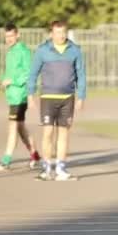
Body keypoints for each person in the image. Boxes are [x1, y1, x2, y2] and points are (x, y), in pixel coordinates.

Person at [27, 20, 86, 181]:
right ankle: (46, 169)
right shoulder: (42, 51)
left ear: (66, 33)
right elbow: (33, 73)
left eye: (63, 32)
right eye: (57, 33)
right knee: (48, 133)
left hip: (68, 98)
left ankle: (61, 169)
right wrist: (30, 94)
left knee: (64, 134)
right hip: (48, 97)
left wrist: (81, 96)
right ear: (51, 34)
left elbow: (81, 74)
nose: (61, 36)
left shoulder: (75, 50)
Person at [0, 23, 41, 171]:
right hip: (12, 95)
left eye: (11, 36)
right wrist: (0, 79)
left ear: (17, 35)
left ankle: (6, 160)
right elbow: (10, 73)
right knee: (20, 127)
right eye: (6, 36)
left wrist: (13, 81)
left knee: (12, 126)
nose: (9, 39)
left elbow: (29, 73)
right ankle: (35, 156)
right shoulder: (10, 51)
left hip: (20, 95)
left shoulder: (23, 51)